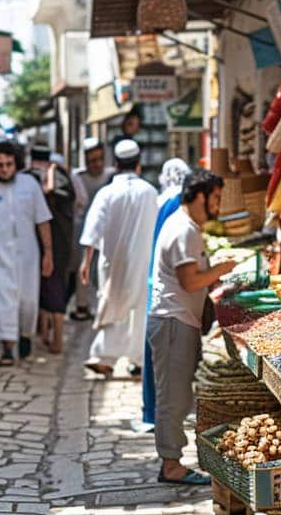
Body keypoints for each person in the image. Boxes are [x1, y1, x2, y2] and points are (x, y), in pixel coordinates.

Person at [148, 169, 236, 484]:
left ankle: (173, 460)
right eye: (214, 197)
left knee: (179, 394)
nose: (218, 204)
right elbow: (189, 281)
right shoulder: (184, 230)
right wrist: (221, 269)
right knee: (173, 396)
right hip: (173, 321)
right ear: (199, 195)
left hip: (179, 320)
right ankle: (171, 465)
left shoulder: (187, 227)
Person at [0, 141, 53, 368]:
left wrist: (48, 253)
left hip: (28, 256)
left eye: (8, 164)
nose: (4, 169)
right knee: (2, 303)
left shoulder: (30, 185)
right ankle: (7, 348)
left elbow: (42, 219)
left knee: (28, 302)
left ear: (16, 163)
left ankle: (24, 335)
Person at [79, 139, 159, 378]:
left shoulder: (107, 193)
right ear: (138, 165)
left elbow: (92, 229)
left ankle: (104, 357)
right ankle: (140, 361)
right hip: (144, 261)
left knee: (112, 304)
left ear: (115, 165)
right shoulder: (150, 192)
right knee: (139, 309)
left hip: (112, 262)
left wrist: (86, 261)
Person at [140, 157, 191, 430]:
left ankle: (152, 410)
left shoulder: (158, 200)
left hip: (153, 276)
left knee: (154, 349)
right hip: (171, 280)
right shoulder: (178, 203)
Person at [28, 144, 75, 354]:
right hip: (59, 242)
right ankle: (49, 335)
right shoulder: (62, 176)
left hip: (42, 242)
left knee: (47, 287)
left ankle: (53, 337)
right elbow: (77, 200)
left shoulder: (28, 178)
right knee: (53, 287)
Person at [69, 137, 113, 321]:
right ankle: (82, 306)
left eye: (99, 159)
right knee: (83, 268)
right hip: (84, 233)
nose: (96, 164)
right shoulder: (79, 178)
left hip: (108, 232)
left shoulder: (112, 176)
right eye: (92, 160)